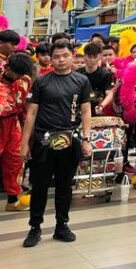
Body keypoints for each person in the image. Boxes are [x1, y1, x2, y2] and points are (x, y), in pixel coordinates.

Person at [19, 39, 92, 247]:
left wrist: (86, 139)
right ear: (51, 59)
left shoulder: (81, 81)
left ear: (72, 56)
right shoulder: (41, 82)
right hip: (43, 141)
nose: (61, 60)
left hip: (70, 139)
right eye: (56, 57)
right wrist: (24, 143)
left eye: (65, 56)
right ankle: (35, 227)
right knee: (39, 186)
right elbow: (31, 113)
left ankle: (62, 226)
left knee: (64, 186)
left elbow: (86, 111)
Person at [1, 53, 34, 211]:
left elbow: (26, 106)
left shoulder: (24, 80)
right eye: (18, 74)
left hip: (13, 124)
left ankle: (12, 200)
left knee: (15, 160)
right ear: (8, 68)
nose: (20, 77)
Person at [78, 42, 114, 115]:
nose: (92, 60)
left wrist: (101, 106)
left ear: (100, 57)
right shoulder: (77, 74)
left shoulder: (105, 74)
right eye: (89, 56)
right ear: (84, 56)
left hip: (98, 109)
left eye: (95, 57)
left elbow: (110, 93)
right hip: (80, 110)